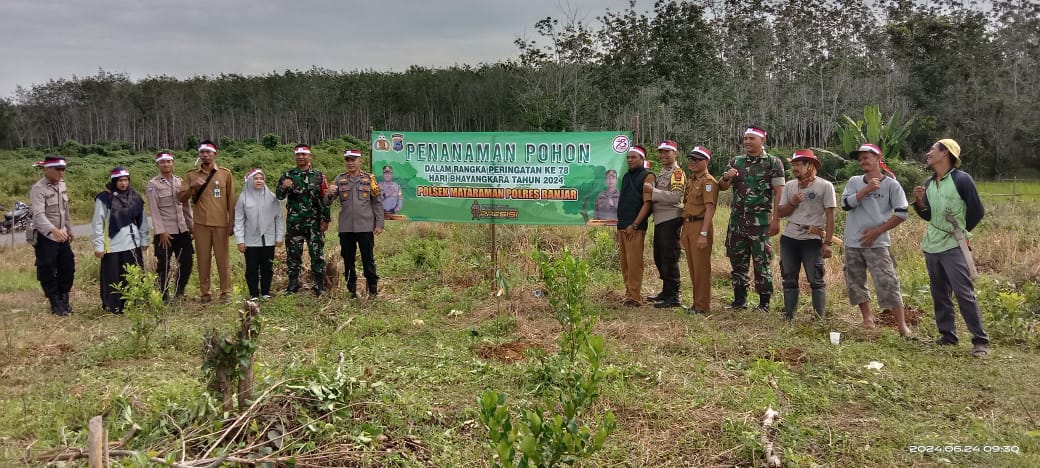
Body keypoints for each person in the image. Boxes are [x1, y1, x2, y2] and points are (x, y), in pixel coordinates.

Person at [912, 139, 989, 356]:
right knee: (939, 293)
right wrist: (919, 202)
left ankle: (980, 341)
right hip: (932, 244)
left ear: (946, 153)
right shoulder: (929, 182)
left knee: (964, 293)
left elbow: (977, 211)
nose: (928, 153)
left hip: (954, 245)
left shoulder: (962, 180)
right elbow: (927, 215)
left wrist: (960, 232)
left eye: (933, 149)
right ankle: (948, 335)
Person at [841, 143, 911, 335]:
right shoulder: (854, 181)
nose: (863, 161)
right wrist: (866, 190)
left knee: (887, 281)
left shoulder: (891, 185)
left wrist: (877, 231)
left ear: (878, 158)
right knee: (855, 280)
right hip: (853, 241)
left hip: (877, 243)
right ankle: (867, 319)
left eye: (867, 157)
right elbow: (845, 205)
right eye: (860, 158)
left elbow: (902, 213)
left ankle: (902, 326)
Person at [718, 126, 785, 312]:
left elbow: (779, 193)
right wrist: (726, 176)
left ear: (762, 140)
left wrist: (776, 219)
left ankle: (764, 303)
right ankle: (740, 300)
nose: (747, 142)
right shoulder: (736, 162)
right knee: (737, 261)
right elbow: (722, 187)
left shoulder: (773, 163)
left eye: (751, 138)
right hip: (737, 222)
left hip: (760, 223)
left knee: (761, 262)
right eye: (745, 138)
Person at [776, 149, 836, 320]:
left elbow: (831, 217)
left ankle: (819, 317)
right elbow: (780, 212)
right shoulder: (789, 186)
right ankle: (789, 316)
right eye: (793, 164)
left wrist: (828, 243)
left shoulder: (825, 186)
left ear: (809, 166)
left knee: (816, 279)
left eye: (798, 164)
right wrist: (792, 202)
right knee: (788, 277)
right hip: (790, 237)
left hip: (812, 238)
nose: (794, 168)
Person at [178, 140, 236, 303]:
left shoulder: (225, 174)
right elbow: (181, 198)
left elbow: (231, 201)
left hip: (220, 224)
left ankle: (226, 293)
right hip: (201, 224)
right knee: (203, 260)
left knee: (222, 259)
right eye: (202, 152)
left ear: (214, 154)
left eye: (208, 152)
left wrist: (231, 223)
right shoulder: (191, 175)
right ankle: (205, 293)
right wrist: (191, 187)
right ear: (199, 155)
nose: (205, 155)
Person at [92, 167, 150, 314]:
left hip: (132, 242)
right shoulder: (104, 198)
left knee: (134, 274)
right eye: (120, 180)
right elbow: (98, 222)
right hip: (113, 244)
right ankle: (114, 306)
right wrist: (99, 245)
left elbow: (142, 221)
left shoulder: (135, 196)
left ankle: (134, 302)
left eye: (126, 180)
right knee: (113, 276)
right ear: (114, 181)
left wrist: (144, 240)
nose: (123, 183)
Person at [328, 149, 384, 298]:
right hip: (346, 227)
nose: (350, 163)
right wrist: (329, 192)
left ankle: (372, 289)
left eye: (353, 160)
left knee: (368, 258)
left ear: (360, 161)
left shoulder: (369, 179)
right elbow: (326, 202)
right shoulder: (339, 179)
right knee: (348, 259)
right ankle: (352, 290)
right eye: (348, 160)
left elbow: (377, 202)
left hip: (365, 226)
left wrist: (379, 223)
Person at [276, 144, 331, 295]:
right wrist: (284, 187)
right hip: (295, 223)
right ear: (295, 157)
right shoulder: (288, 175)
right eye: (298, 155)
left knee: (317, 253)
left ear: (309, 156)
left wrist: (326, 219)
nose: (301, 157)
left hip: (314, 222)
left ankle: (319, 284)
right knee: (293, 254)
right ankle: (293, 284)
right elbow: (279, 196)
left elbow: (324, 199)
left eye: (304, 154)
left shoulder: (319, 175)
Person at [30, 154, 75, 316]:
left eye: (63, 169)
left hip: (62, 234)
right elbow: (38, 215)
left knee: (68, 266)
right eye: (58, 169)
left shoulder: (62, 185)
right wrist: (53, 230)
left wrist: (69, 228)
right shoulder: (38, 189)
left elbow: (65, 210)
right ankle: (54, 301)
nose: (62, 173)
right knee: (47, 268)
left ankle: (64, 298)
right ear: (47, 169)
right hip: (47, 236)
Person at [147, 151, 194, 302]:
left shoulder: (180, 182)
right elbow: (154, 210)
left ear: (173, 163)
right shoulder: (153, 185)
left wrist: (191, 227)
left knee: (187, 262)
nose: (166, 164)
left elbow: (186, 207)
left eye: (169, 161)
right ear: (158, 165)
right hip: (165, 233)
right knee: (164, 265)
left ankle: (179, 292)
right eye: (163, 162)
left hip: (182, 230)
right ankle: (163, 294)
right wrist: (161, 231)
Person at [644, 140, 686, 308]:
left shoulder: (677, 173)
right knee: (660, 257)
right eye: (660, 152)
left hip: (671, 219)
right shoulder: (664, 172)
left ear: (675, 153)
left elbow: (676, 197)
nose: (662, 155)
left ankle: (674, 296)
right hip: (661, 220)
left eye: (667, 152)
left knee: (669, 258)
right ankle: (665, 291)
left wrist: (652, 192)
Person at [679, 146, 718, 314]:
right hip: (688, 225)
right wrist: (682, 232)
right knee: (693, 267)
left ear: (706, 162)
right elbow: (687, 206)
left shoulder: (708, 181)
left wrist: (703, 233)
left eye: (697, 159)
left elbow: (710, 208)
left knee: (701, 268)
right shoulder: (692, 180)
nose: (693, 162)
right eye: (691, 159)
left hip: (701, 226)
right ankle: (696, 303)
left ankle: (702, 306)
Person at [235, 169, 284, 301]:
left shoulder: (272, 198)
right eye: (256, 178)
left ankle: (266, 292)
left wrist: (279, 237)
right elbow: (239, 220)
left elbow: (279, 218)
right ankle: (254, 294)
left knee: (267, 267)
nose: (259, 181)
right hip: (250, 239)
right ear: (250, 181)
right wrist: (240, 240)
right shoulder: (243, 198)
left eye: (261, 178)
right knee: (251, 268)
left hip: (268, 239)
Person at [617, 145, 655, 306]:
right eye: (628, 158)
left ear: (642, 159)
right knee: (625, 262)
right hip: (623, 225)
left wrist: (635, 224)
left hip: (635, 226)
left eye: (633, 157)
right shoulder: (626, 177)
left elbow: (647, 204)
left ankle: (634, 296)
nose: (630, 160)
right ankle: (628, 293)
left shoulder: (648, 176)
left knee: (634, 263)